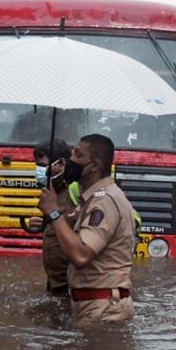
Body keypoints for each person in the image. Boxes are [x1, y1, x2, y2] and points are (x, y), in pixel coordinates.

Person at [37, 134, 136, 323]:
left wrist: (54, 213)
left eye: (78, 156)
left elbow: (81, 255)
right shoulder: (93, 198)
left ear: (94, 166)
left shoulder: (104, 201)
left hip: (103, 309)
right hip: (95, 305)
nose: (71, 161)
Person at [30, 139, 75, 296]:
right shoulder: (50, 191)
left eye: (43, 166)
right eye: (37, 166)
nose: (38, 171)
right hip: (55, 283)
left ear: (61, 164)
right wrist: (43, 223)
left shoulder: (75, 190)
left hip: (73, 285)